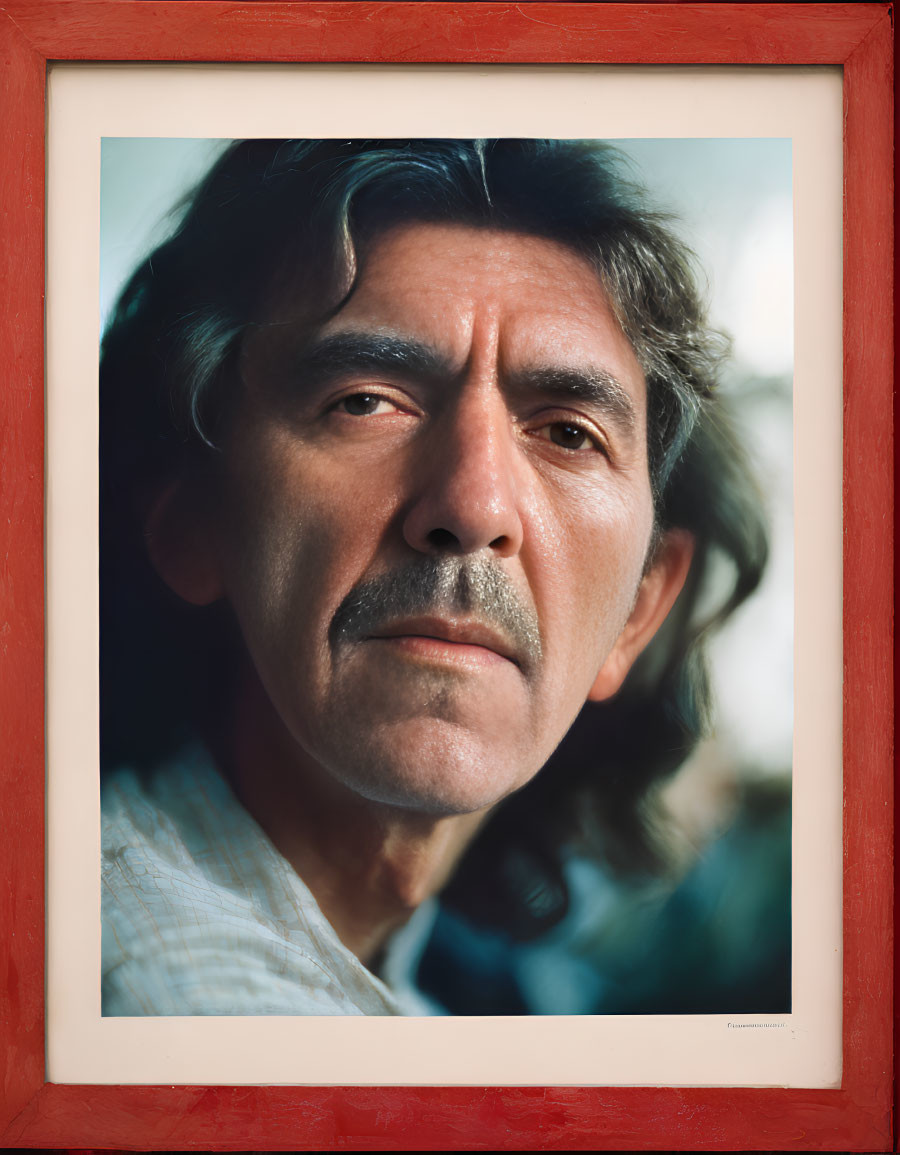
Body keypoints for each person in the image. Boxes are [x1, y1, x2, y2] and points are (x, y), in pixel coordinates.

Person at [99, 138, 768, 1016]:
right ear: (190, 521)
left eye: (569, 432)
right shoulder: (162, 990)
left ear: (638, 612)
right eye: (366, 400)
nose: (475, 504)